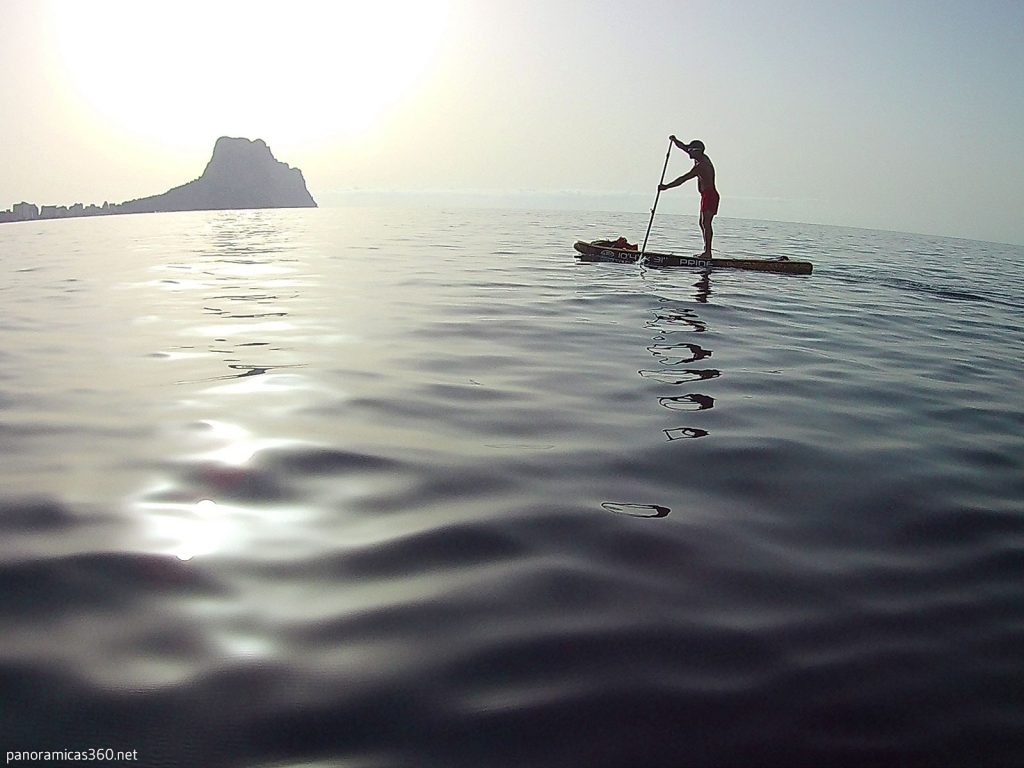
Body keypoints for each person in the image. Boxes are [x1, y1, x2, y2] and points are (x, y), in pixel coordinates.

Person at [658, 136, 719, 258]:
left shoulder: (701, 165)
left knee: (706, 223)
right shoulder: (697, 156)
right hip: (705, 195)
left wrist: (666, 187)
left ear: (697, 151)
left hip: (710, 195)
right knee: (702, 223)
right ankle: (706, 251)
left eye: (691, 150)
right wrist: (674, 140)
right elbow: (683, 147)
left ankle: (708, 253)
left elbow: (683, 179)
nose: (688, 152)